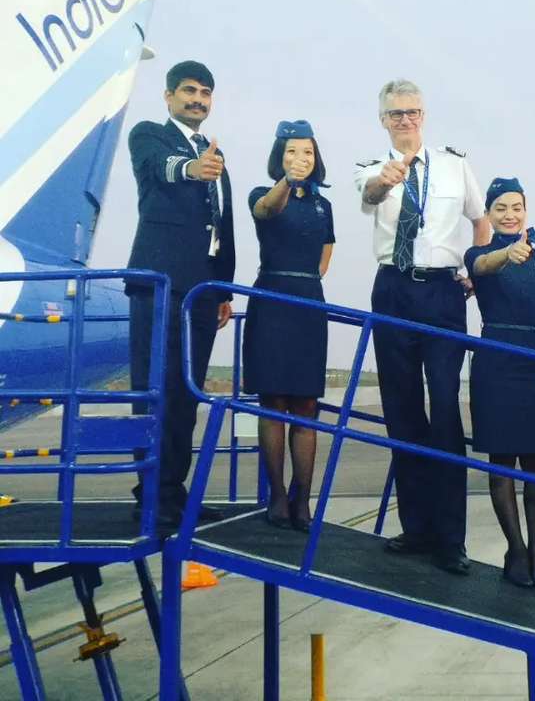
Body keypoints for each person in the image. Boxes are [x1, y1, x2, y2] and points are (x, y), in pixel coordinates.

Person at [353, 78, 490, 575]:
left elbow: (480, 219)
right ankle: (417, 527)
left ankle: (451, 538)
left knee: (445, 410)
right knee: (402, 408)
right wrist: (387, 180)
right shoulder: (371, 168)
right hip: (393, 288)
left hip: (441, 293)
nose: (405, 120)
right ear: (383, 120)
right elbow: (370, 195)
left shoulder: (455, 165)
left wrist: (473, 268)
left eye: (412, 112)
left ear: (424, 116)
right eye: (396, 114)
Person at [126, 60, 235, 529]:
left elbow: (224, 226)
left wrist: (223, 288)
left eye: (205, 93)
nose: (197, 99)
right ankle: (150, 496)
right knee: (155, 391)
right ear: (169, 96)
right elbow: (162, 168)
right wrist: (192, 167)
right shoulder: (149, 135)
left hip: (202, 291)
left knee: (186, 396)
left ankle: (174, 491)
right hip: (160, 285)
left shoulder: (216, 155)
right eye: (189, 90)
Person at [465, 178, 535, 589]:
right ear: (489, 214)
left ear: (525, 210)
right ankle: (516, 550)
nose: (510, 214)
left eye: (516, 207)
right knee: (502, 460)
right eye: (501, 208)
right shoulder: (479, 253)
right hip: (496, 360)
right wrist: (507, 253)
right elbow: (481, 268)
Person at [243, 121, 335, 532]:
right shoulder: (262, 193)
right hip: (272, 300)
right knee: (273, 402)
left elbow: (324, 254)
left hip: (308, 303)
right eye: (292, 152)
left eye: (308, 152)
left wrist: (307, 282)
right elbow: (267, 210)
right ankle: (277, 495)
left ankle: (303, 498)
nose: (301, 158)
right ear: (279, 158)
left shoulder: (323, 205)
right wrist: (288, 181)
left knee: (306, 405)